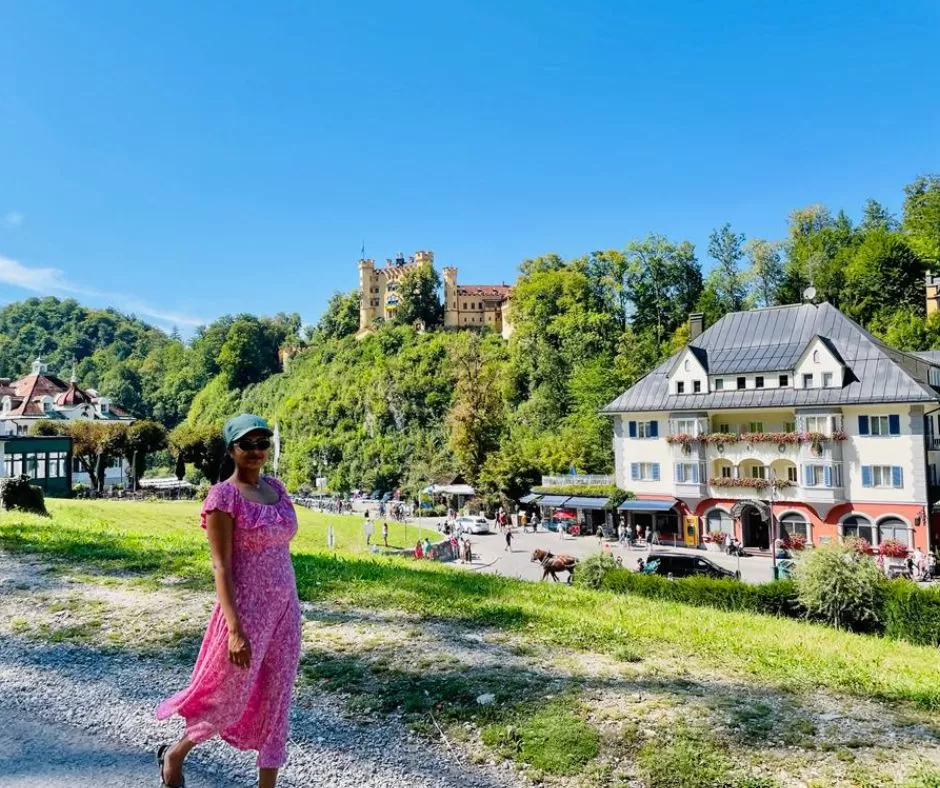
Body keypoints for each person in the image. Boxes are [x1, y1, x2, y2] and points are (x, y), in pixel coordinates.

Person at [156, 414, 300, 788]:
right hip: (245, 614)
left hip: (286, 612)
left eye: (262, 443)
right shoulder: (224, 497)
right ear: (232, 449)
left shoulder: (278, 491)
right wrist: (235, 629)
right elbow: (221, 566)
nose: (255, 451)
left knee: (278, 697)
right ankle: (176, 753)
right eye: (246, 444)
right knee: (228, 694)